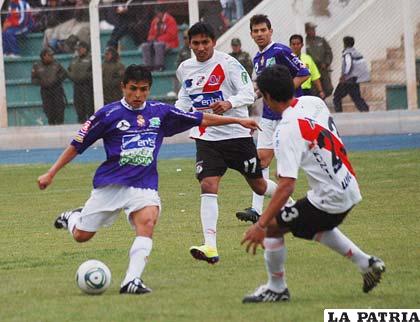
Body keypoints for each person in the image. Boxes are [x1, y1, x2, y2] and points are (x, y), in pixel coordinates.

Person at [37, 64, 261, 295]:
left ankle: (131, 281)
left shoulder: (160, 112)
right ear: (123, 87)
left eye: (143, 89)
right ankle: (73, 217)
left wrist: (238, 121)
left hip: (143, 185)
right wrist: (51, 173)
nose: (137, 95)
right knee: (81, 236)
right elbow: (77, 146)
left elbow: (200, 118)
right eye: (133, 89)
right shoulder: (107, 114)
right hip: (111, 184)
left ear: (149, 89)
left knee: (148, 221)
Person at [240, 65, 385, 303]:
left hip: (330, 198)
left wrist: (260, 224)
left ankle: (276, 289)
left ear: (266, 97)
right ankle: (366, 264)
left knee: (273, 228)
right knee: (314, 226)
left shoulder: (285, 130)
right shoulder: (312, 103)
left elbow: (287, 186)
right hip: (347, 184)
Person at [175, 22, 278, 264]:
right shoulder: (184, 68)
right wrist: (175, 117)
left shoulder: (228, 63)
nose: (200, 48)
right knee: (208, 185)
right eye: (196, 43)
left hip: (237, 135)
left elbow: (248, 92)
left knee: (260, 187)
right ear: (189, 44)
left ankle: (289, 200)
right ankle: (210, 246)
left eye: (205, 42)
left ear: (214, 42)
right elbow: (185, 97)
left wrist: (229, 103)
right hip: (207, 137)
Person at [236, 14, 310, 224]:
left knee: (293, 164)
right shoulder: (257, 59)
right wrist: (245, 100)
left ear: (270, 31)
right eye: (256, 31)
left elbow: (303, 74)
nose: (259, 34)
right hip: (268, 116)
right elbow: (261, 88)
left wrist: (283, 93)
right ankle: (257, 210)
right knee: (261, 160)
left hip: (288, 113)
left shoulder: (281, 51)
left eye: (263, 30)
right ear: (251, 34)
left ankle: (297, 206)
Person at [333, 36, 370, 113]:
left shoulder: (347, 53)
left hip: (348, 79)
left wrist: (344, 75)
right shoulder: (356, 52)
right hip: (355, 78)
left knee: (337, 96)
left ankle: (339, 113)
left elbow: (349, 64)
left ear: (345, 44)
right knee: (356, 97)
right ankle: (365, 109)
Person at [31, 47, 67, 125]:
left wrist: (57, 80)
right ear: (44, 56)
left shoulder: (56, 64)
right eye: (49, 55)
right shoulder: (36, 65)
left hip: (56, 89)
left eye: (52, 55)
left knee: (59, 108)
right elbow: (33, 79)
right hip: (45, 90)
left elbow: (64, 74)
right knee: (48, 110)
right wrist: (41, 82)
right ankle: (51, 124)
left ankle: (60, 125)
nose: (51, 57)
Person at [289, 34, 325, 98]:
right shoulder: (287, 58)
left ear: (302, 45)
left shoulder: (307, 58)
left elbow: (315, 76)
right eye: (293, 44)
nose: (296, 46)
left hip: (306, 91)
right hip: (292, 91)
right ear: (290, 45)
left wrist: (320, 91)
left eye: (298, 44)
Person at [67, 40, 94, 123]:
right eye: (78, 49)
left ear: (85, 49)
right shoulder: (74, 60)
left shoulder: (91, 59)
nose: (79, 50)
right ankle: (81, 123)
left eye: (80, 48)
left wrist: (85, 77)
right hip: (77, 86)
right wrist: (73, 77)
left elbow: (93, 71)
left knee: (89, 106)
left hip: (88, 86)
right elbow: (69, 70)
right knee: (79, 106)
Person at [305, 22, 333, 97]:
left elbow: (328, 52)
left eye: (314, 29)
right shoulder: (304, 42)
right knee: (314, 90)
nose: (313, 31)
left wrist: (326, 62)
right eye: (311, 30)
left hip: (322, 68)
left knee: (328, 89)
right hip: (312, 70)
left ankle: (322, 99)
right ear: (306, 31)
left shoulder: (321, 40)